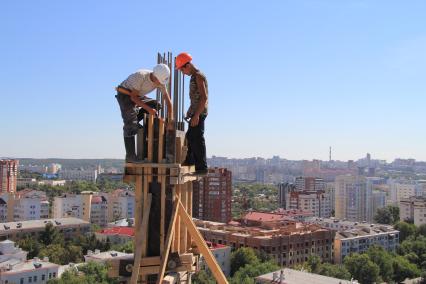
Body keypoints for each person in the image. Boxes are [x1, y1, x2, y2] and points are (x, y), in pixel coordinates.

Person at [116, 64, 173, 162]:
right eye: (159, 81)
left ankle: (134, 121)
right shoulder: (141, 76)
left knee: (156, 105)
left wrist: (170, 120)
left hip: (137, 95)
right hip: (125, 94)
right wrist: (149, 110)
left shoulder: (160, 82)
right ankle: (130, 156)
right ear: (155, 76)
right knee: (130, 124)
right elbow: (133, 98)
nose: (159, 84)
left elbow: (168, 101)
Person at [175, 52, 208, 174]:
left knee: (197, 138)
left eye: (182, 70)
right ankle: (190, 162)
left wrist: (197, 115)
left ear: (187, 66)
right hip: (195, 112)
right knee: (190, 138)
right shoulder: (194, 77)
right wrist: (190, 112)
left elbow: (204, 98)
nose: (183, 73)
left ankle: (201, 168)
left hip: (199, 113)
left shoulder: (198, 76)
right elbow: (196, 99)